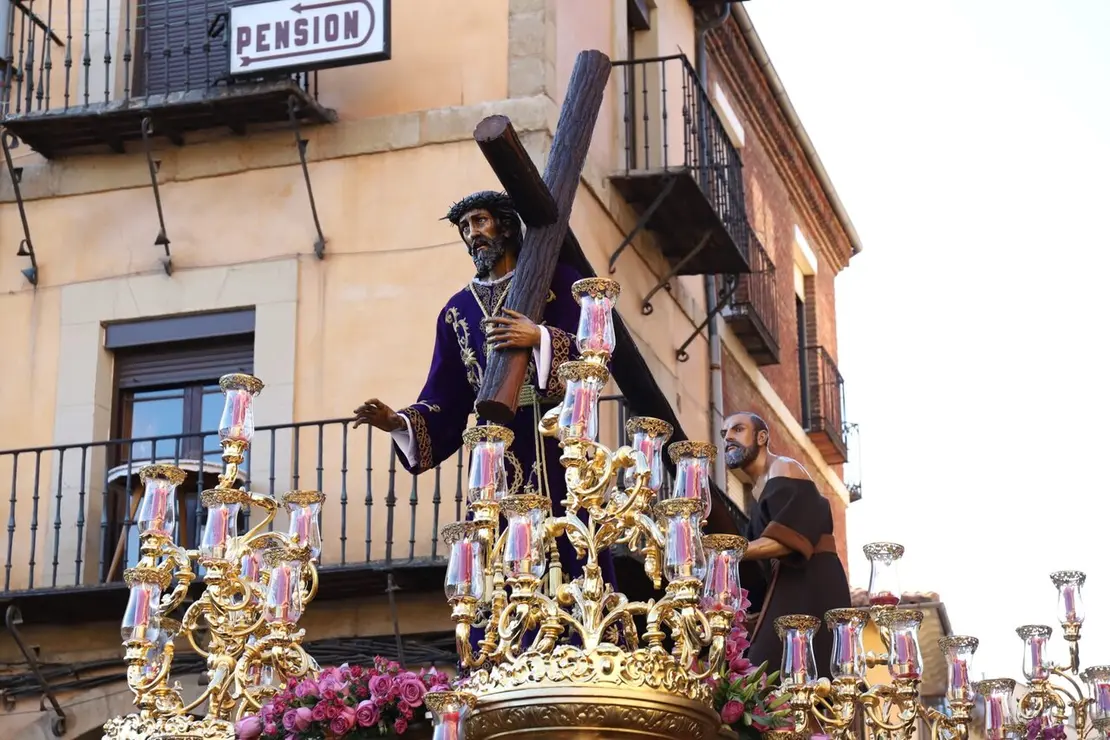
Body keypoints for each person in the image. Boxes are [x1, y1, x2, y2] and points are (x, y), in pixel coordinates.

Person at [353, 190, 618, 645]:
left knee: (574, 537)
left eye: (480, 222)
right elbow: (446, 396)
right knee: (496, 557)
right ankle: (500, 647)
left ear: (507, 225)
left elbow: (596, 357)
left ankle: (585, 640)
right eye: (465, 229)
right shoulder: (456, 311)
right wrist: (398, 422)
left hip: (559, 441)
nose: (473, 235)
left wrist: (538, 337)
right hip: (496, 456)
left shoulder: (561, 281)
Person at [721, 411, 851, 680]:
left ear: (762, 437)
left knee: (764, 673)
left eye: (737, 430)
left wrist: (726, 552)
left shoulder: (783, 467)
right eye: (724, 434)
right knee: (768, 674)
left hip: (810, 581)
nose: (728, 438)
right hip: (789, 583)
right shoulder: (759, 488)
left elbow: (788, 539)